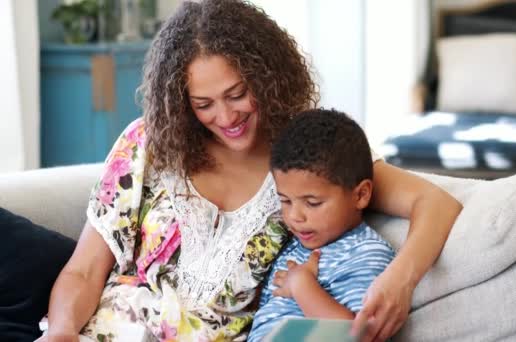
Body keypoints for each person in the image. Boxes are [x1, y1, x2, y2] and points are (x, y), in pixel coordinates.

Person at [43, 1, 462, 341]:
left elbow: (435, 203)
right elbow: (83, 271)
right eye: (203, 104)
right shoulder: (147, 144)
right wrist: (61, 331)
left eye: (237, 94)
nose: (226, 117)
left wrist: (399, 282)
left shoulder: (308, 154)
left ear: (267, 77)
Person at [247, 108, 396, 342]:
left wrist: (301, 285)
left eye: (312, 203)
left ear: (361, 195)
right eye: (285, 200)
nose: (295, 216)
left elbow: (358, 335)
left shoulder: (366, 252)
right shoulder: (295, 247)